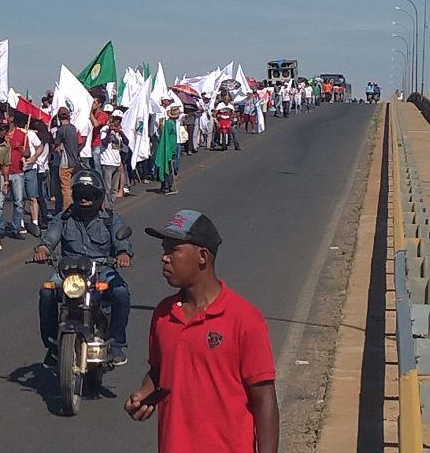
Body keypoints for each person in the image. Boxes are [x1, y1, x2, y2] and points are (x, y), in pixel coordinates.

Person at [125, 210, 279, 453]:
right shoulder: (163, 315)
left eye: (173, 250)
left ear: (202, 257)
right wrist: (144, 394)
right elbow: (159, 371)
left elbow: (264, 399)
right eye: (164, 250)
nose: (164, 258)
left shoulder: (245, 319)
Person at [32, 170, 132, 367]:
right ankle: (52, 346)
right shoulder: (64, 218)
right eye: (80, 195)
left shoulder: (110, 218)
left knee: (121, 292)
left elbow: (122, 242)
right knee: (46, 291)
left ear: (99, 196)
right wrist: (43, 249)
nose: (85, 200)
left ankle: (117, 344)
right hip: (69, 273)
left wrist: (123, 254)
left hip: (102, 270)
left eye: (90, 196)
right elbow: (50, 238)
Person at [53, 107, 81, 212]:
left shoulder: (61, 130)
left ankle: (67, 210)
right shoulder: (73, 128)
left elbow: (56, 146)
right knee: (72, 187)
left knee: (65, 189)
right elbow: (79, 142)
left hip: (65, 163)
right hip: (75, 161)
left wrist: (58, 149)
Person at [98, 113, 127, 209]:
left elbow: (127, 142)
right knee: (107, 188)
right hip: (107, 162)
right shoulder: (105, 130)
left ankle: (111, 205)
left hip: (116, 162)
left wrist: (120, 132)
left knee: (114, 188)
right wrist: (110, 132)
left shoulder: (119, 132)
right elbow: (103, 142)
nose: (117, 121)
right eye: (115, 119)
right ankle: (105, 206)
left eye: (119, 119)